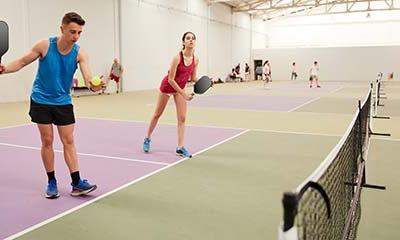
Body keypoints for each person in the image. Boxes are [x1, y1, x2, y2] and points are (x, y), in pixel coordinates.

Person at [0, 12, 98, 199]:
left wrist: (94, 86)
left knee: (68, 141)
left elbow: (87, 77)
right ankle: (51, 181)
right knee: (47, 140)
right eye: (72, 32)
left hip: (63, 102)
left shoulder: (80, 52)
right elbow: (21, 62)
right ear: (62, 29)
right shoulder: (45, 46)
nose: (76, 36)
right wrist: (3, 70)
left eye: (79, 33)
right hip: (41, 100)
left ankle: (76, 182)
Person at [143, 32, 199, 158]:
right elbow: (171, 79)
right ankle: (147, 138)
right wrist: (184, 94)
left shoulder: (196, 59)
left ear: (195, 42)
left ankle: (180, 147)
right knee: (157, 114)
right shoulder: (177, 58)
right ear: (183, 42)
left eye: (193, 38)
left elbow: (193, 77)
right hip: (168, 86)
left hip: (180, 88)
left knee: (182, 118)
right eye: (188, 38)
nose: (191, 40)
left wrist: (205, 82)